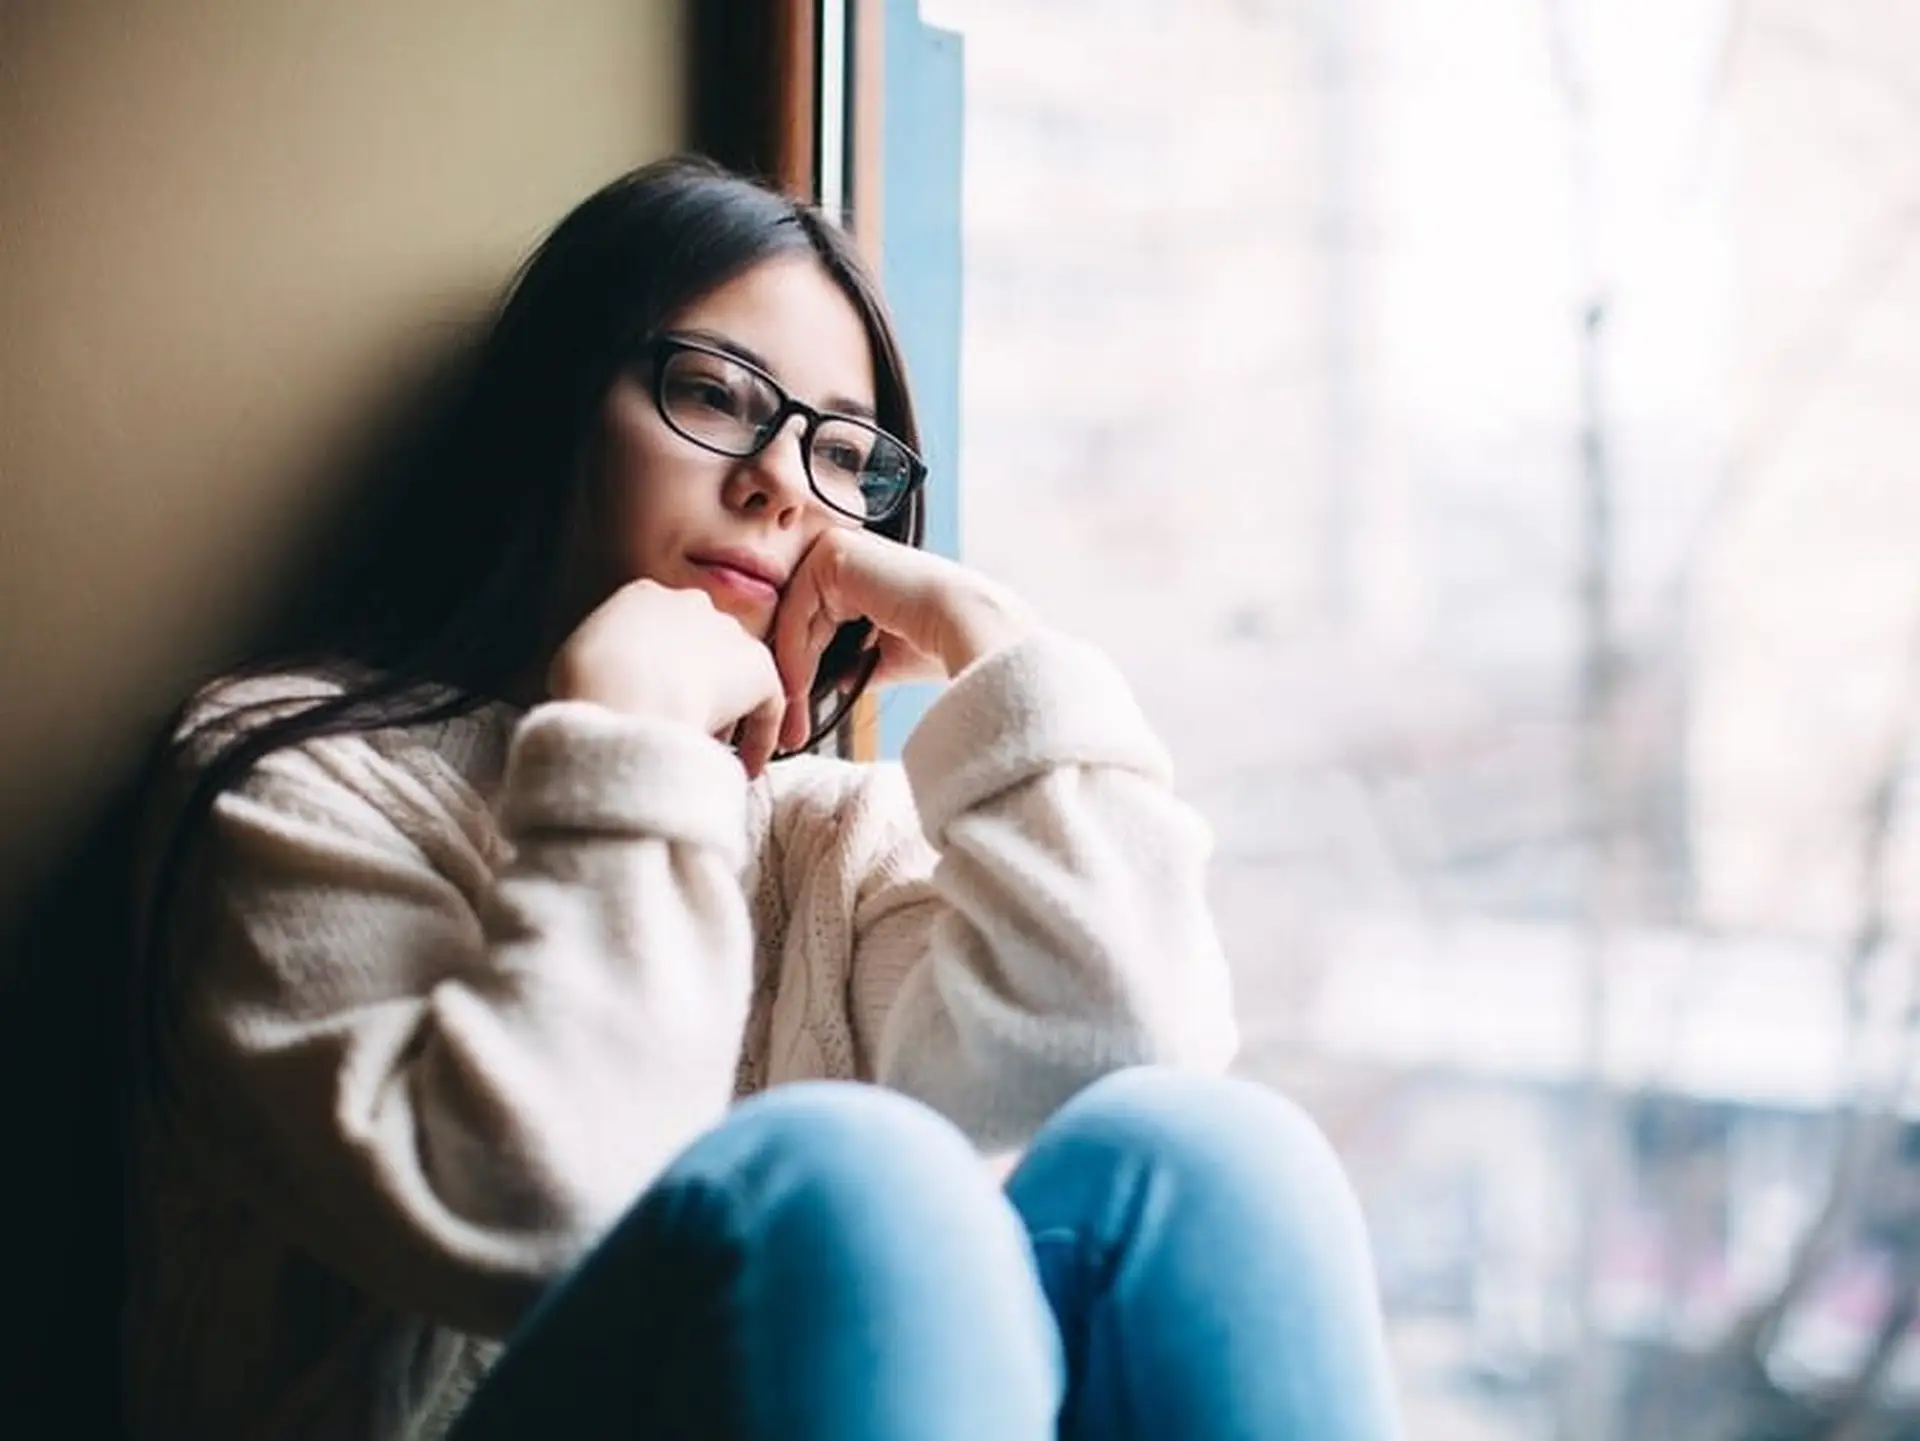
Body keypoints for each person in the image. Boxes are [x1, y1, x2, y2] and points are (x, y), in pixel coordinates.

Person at [125, 156, 1403, 1441]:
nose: (782, 482)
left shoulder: (832, 834)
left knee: (1220, 1157)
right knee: (857, 1169)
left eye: (846, 453)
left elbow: (1116, 1047)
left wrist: (993, 645)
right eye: (716, 395)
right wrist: (626, 741)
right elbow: (531, 1216)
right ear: (559, 404)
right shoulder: (290, 773)